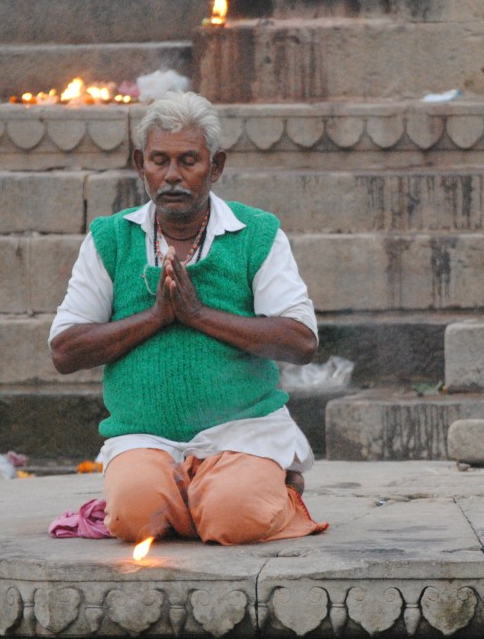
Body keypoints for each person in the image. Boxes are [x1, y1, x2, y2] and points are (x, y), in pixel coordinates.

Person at [49, 91, 327, 545]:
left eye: (189, 161)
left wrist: (197, 314)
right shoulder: (111, 238)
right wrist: (156, 317)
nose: (172, 176)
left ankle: (254, 493)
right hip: (145, 436)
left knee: (234, 520)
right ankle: (196, 495)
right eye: (159, 161)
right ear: (141, 164)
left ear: (215, 167)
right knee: (138, 519)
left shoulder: (257, 234)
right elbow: (64, 350)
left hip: (243, 433)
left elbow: (301, 341)